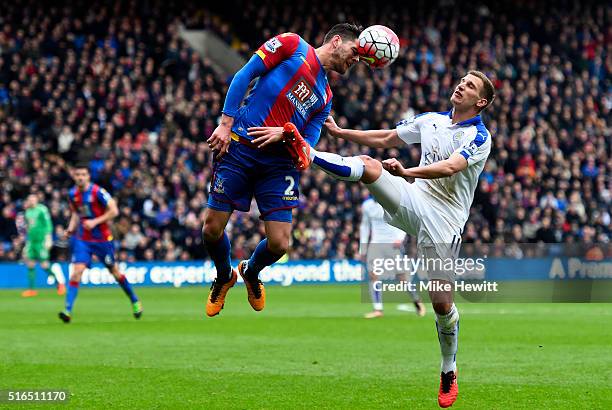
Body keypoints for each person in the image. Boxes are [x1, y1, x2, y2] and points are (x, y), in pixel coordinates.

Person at [279, 71, 495, 408]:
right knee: (369, 165)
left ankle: (448, 368)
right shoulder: (431, 120)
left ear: (480, 102)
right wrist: (339, 131)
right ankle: (308, 152)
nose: (460, 86)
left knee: (441, 303)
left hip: (445, 220)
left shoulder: (480, 137)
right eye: (462, 81)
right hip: (415, 198)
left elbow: (452, 167)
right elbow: (386, 137)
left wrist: (408, 172)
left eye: (469, 86)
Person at [203, 23, 362, 317]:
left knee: (279, 244)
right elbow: (245, 74)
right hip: (240, 145)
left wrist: (286, 133)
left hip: (278, 165)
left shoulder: (325, 97)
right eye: (355, 51)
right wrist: (225, 124)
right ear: (337, 41)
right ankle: (225, 275)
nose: (357, 59)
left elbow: (307, 147)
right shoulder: (292, 45)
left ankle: (251, 271)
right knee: (211, 230)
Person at [59, 164, 143, 323]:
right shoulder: (72, 194)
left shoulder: (98, 192)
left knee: (115, 273)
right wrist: (70, 229)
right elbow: (76, 213)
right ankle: (67, 310)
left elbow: (114, 211)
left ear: (88, 176)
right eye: (77, 175)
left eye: (83, 174)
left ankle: (134, 300)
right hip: (83, 239)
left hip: (102, 240)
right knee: (76, 272)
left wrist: (95, 221)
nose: (80, 178)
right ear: (74, 177)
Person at [360, 197, 425, 318]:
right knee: (373, 274)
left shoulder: (390, 199)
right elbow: (364, 227)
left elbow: (404, 220)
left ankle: (417, 300)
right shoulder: (367, 206)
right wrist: (362, 249)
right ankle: (378, 309)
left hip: (393, 244)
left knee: (402, 278)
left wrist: (400, 238)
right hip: (376, 243)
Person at [21, 194, 65, 297]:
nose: (31, 201)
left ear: (37, 200)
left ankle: (59, 284)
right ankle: (31, 290)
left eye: (33, 199)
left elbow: (48, 224)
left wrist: (48, 239)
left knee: (44, 265)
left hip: (41, 241)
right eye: (29, 199)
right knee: (30, 264)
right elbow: (29, 228)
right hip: (32, 242)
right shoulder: (27, 212)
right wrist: (27, 243)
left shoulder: (42, 210)